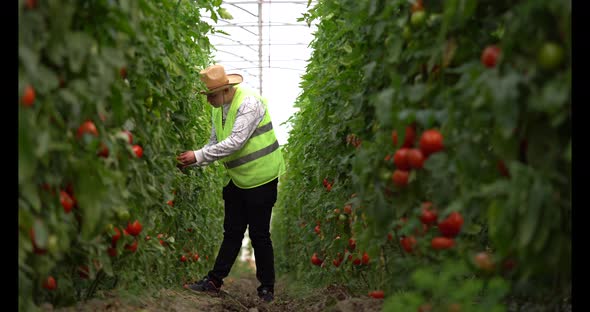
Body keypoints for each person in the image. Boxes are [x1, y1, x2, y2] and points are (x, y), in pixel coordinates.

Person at [176, 64, 286, 303]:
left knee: (259, 234)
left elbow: (236, 141)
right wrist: (193, 161)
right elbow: (214, 143)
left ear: (226, 90)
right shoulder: (219, 108)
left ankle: (267, 287)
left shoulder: (249, 103)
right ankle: (214, 281)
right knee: (233, 231)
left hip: (261, 176)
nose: (208, 101)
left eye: (211, 96)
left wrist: (197, 155)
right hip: (236, 177)